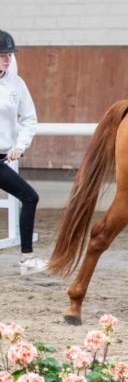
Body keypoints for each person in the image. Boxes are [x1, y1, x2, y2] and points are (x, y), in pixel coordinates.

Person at [0, 29, 45, 275]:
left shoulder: (16, 84)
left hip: (2, 159)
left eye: (9, 55)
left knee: (30, 197)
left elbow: (29, 119)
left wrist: (19, 146)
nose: (8, 59)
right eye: (2, 55)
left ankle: (26, 259)